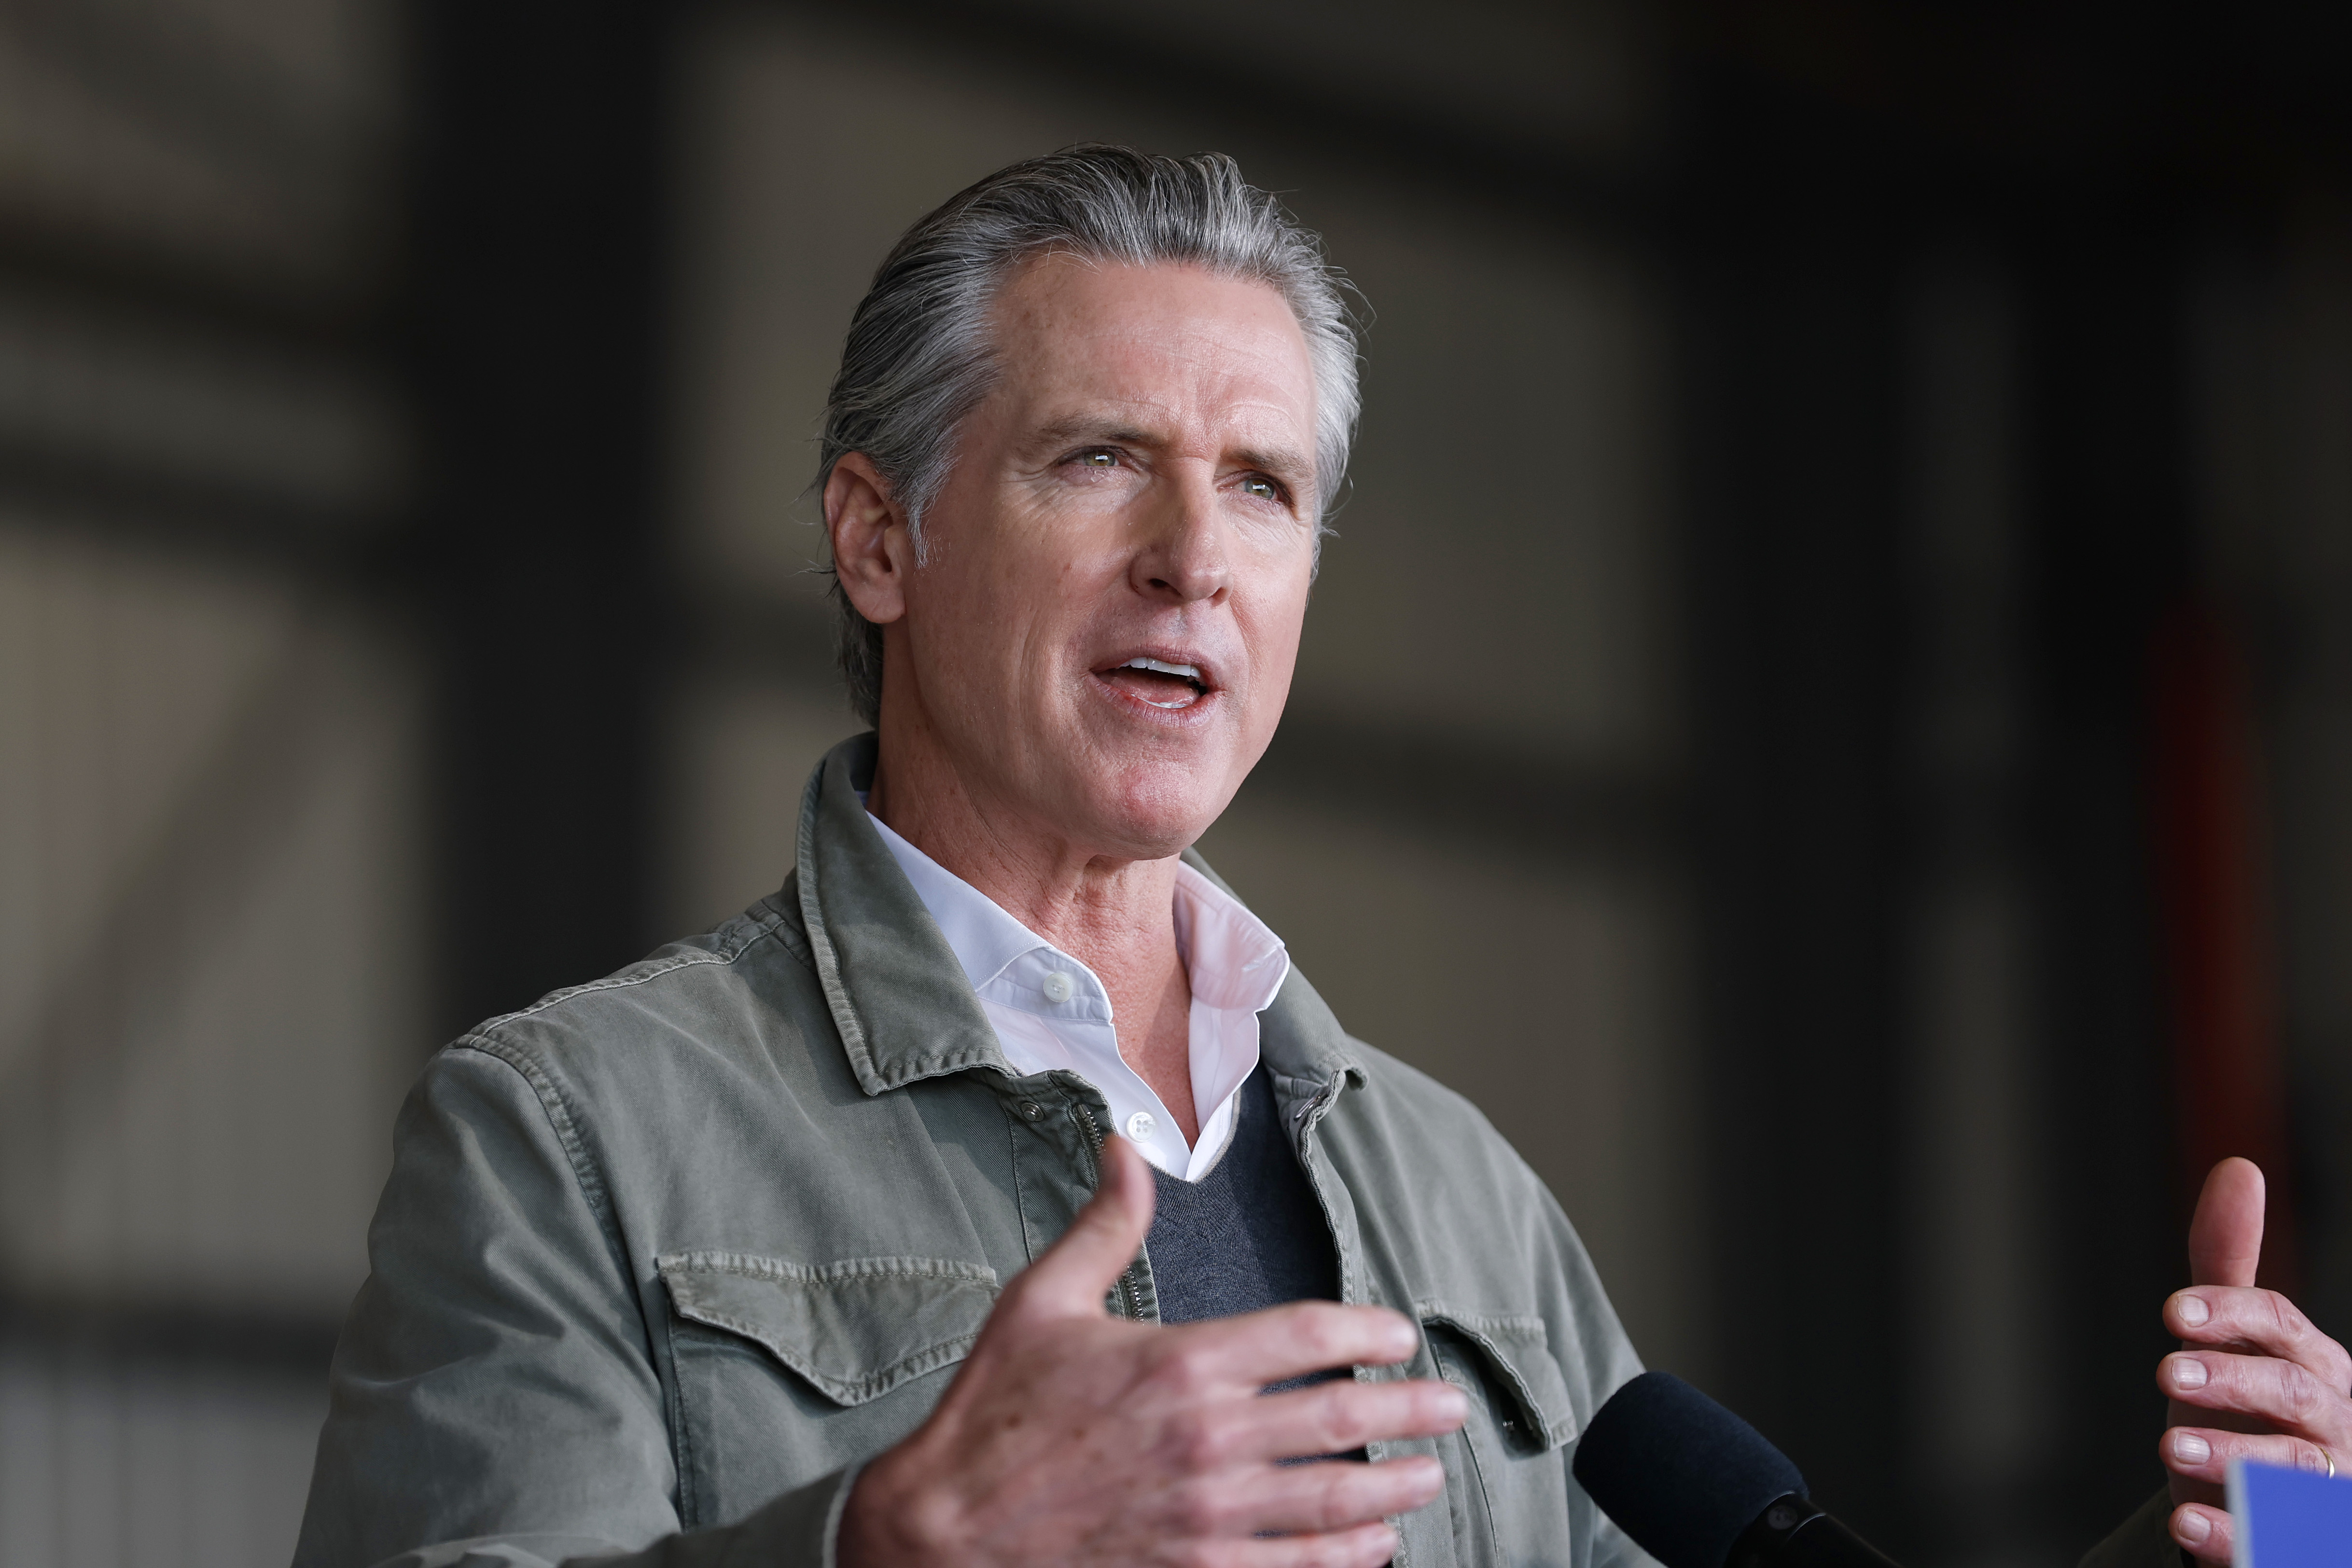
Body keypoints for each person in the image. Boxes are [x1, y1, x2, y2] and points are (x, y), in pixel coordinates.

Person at [292, 147, 2348, 1568]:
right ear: (877, 538)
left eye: (1262, 485)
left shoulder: (1459, 1196)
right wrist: (879, 1550)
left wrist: (2264, 1533)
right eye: (1100, 458)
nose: (1193, 552)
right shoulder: (573, 1136)